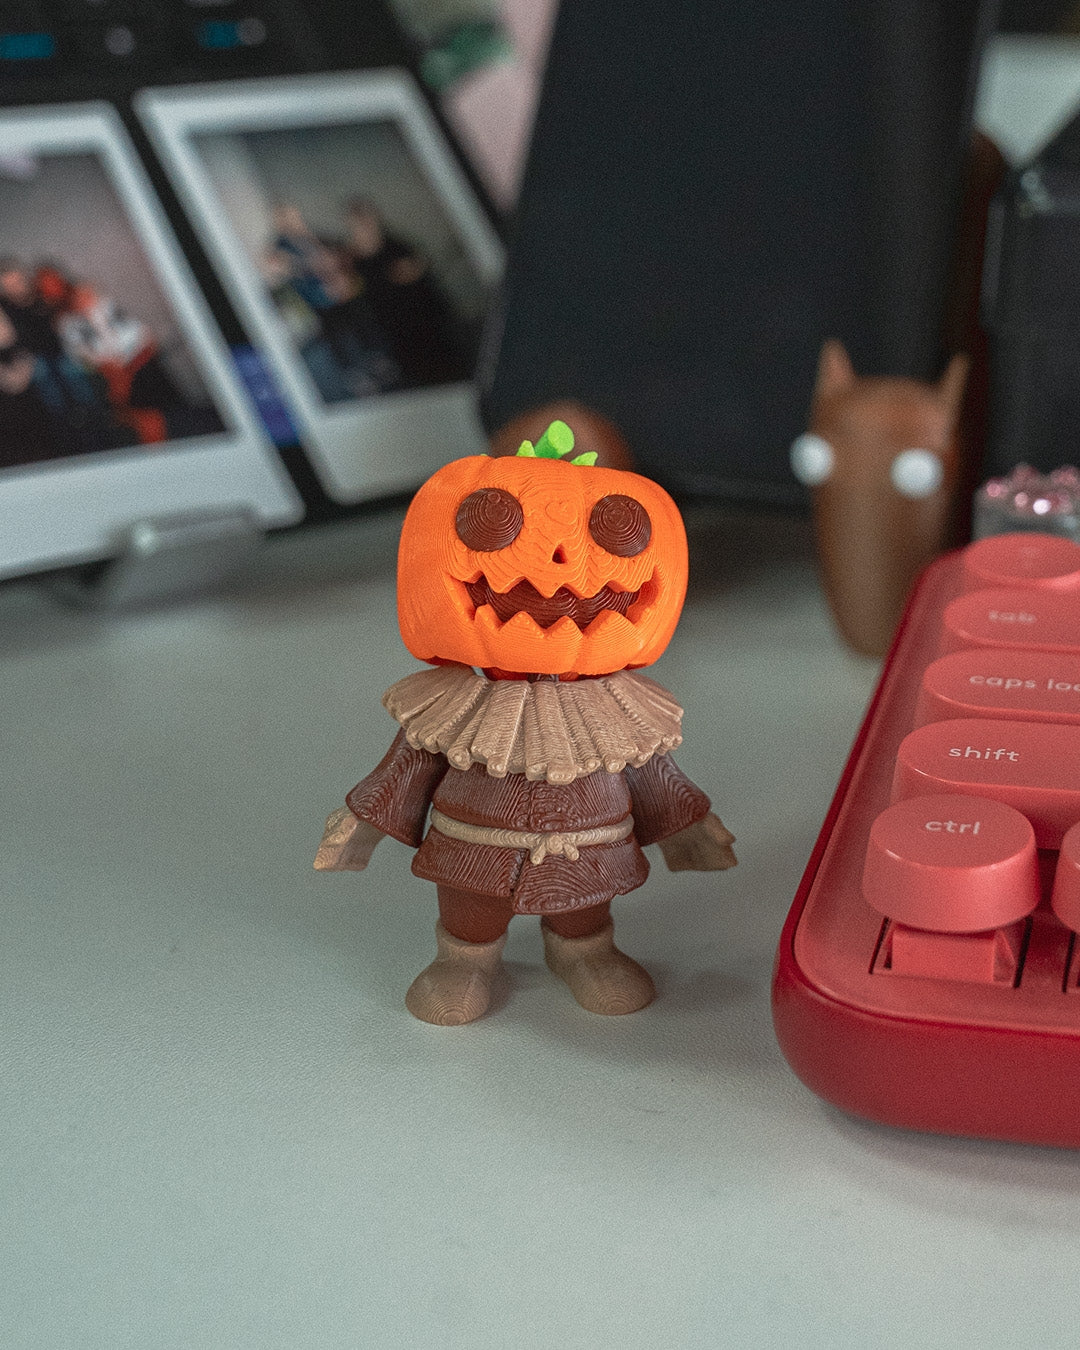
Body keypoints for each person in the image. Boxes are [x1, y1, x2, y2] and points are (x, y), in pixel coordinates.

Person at [341, 199, 470, 388]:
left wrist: (416, 270)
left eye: (367, 221)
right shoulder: (352, 261)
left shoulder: (398, 247)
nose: (364, 227)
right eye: (358, 224)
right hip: (393, 339)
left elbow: (427, 286)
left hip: (428, 329)